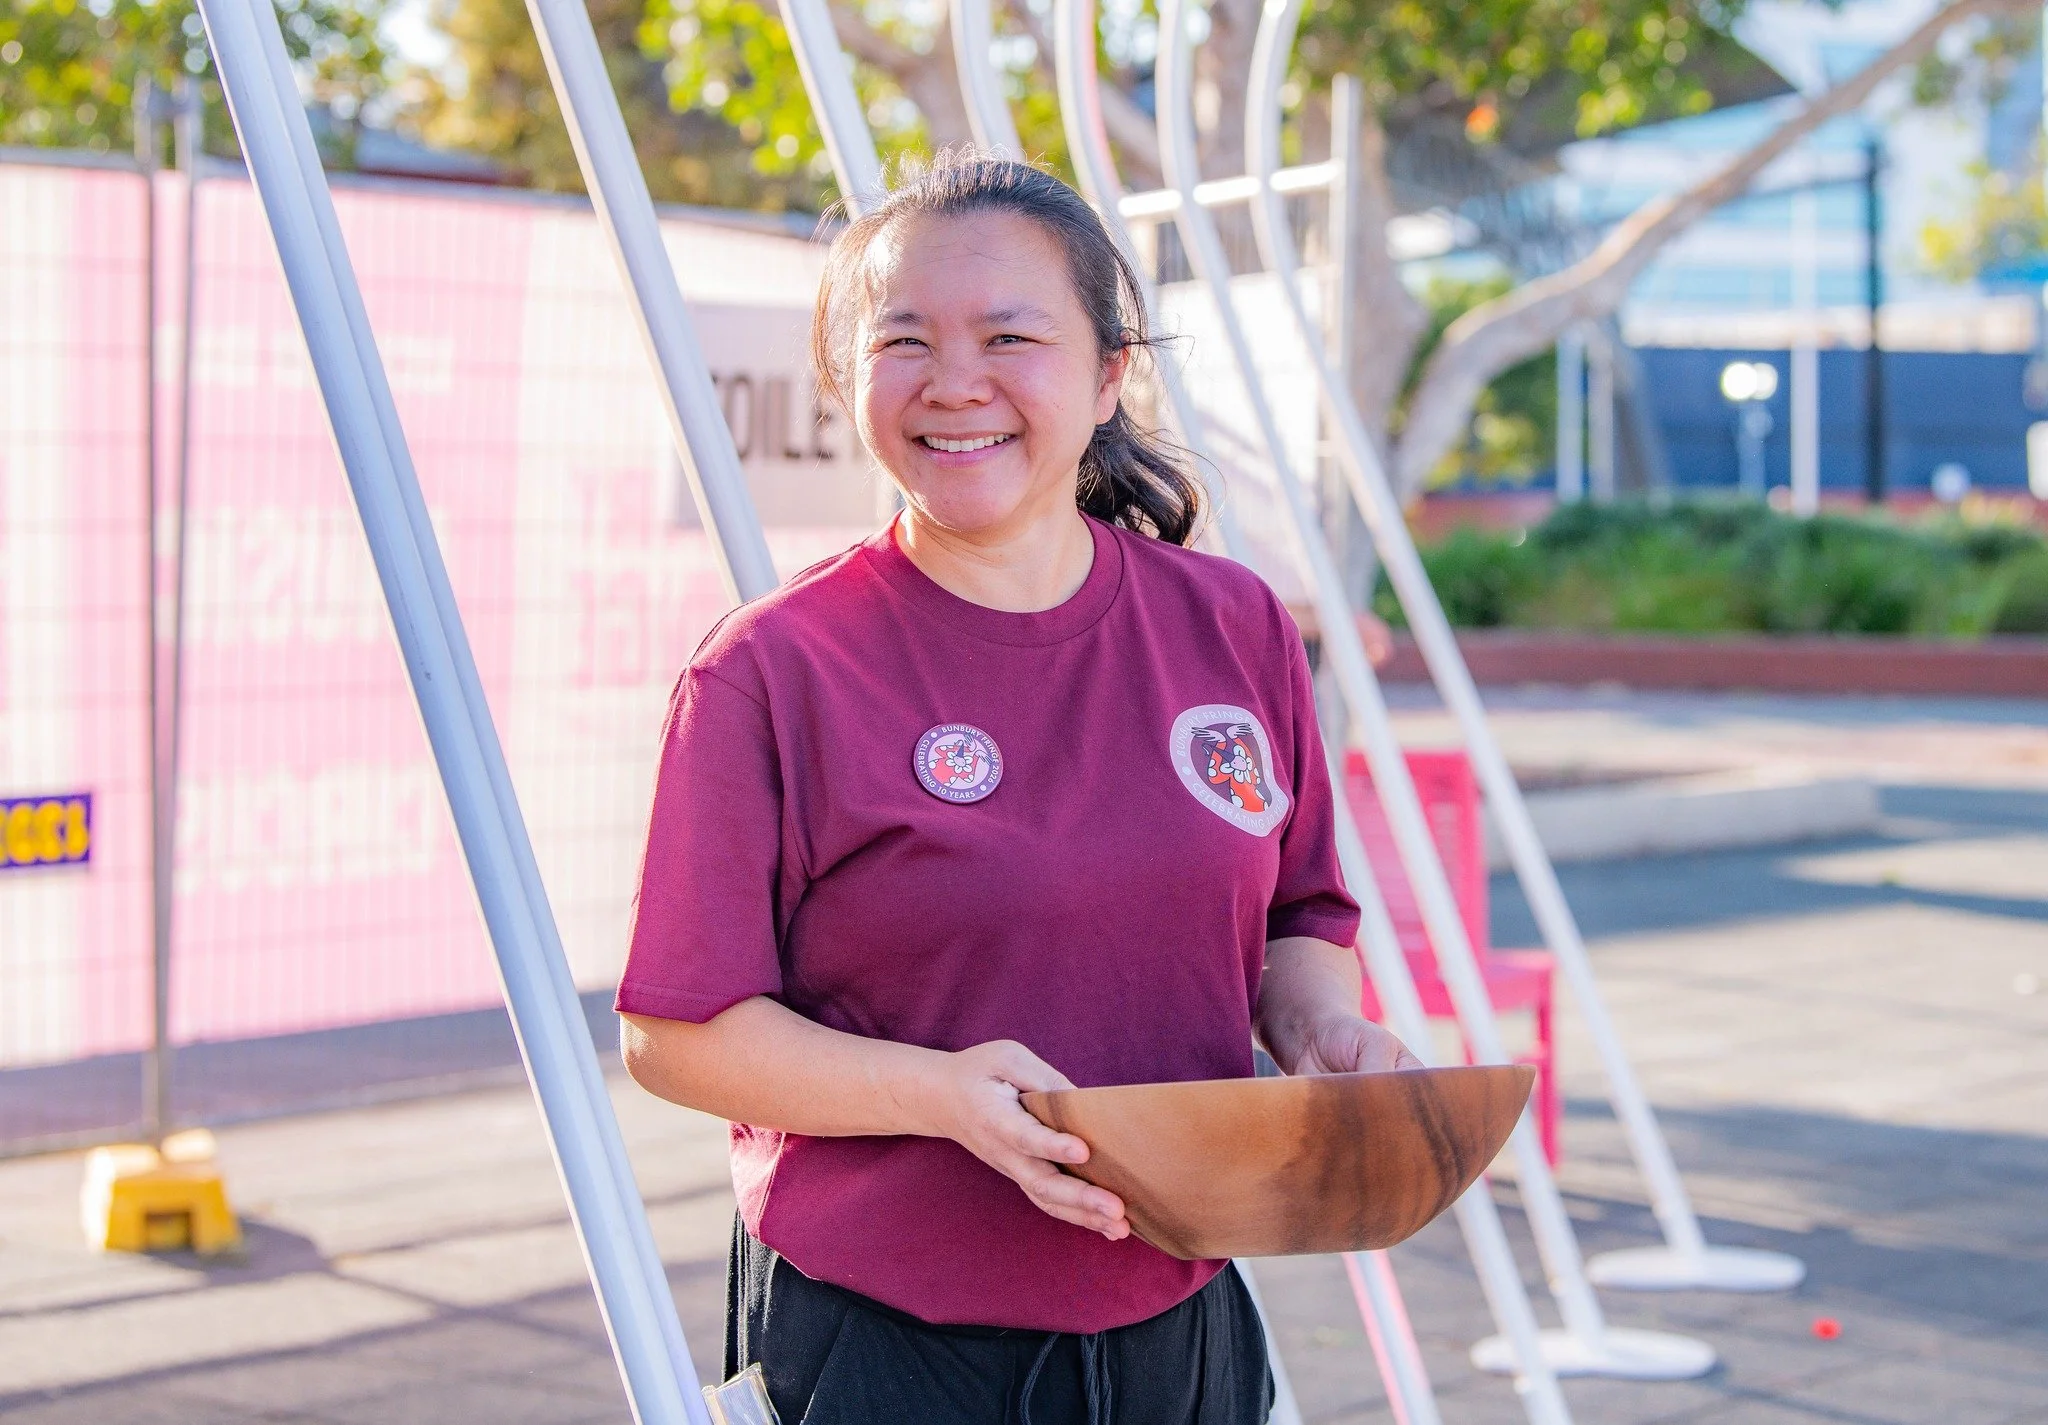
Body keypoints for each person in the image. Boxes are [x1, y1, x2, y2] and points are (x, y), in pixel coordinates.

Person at [616, 151, 1418, 1425]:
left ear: (1106, 377)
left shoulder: (1229, 625)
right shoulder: (771, 671)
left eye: (1007, 337)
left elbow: (1298, 917)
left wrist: (1319, 1029)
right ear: (846, 380)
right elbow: (678, 1033)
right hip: (887, 1339)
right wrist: (940, 1097)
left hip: (1177, 1312)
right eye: (903, 341)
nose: (954, 384)